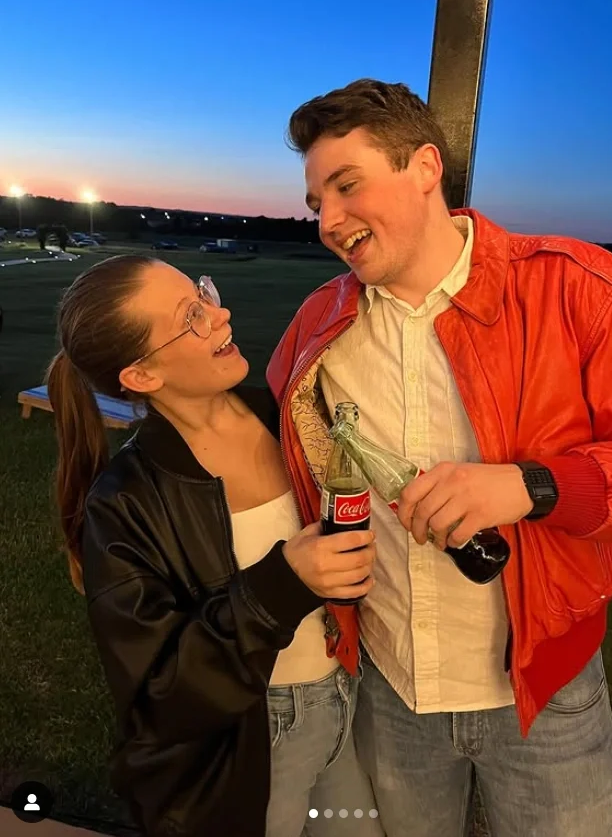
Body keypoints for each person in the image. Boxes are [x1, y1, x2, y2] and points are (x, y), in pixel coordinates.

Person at [267, 78, 612, 837]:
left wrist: (533, 486)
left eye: (346, 185)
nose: (329, 221)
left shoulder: (582, 290)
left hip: (542, 698)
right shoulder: (318, 328)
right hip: (392, 696)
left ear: (425, 167)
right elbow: (266, 450)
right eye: (316, 204)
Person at [46, 256, 385, 836]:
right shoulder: (126, 502)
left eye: (204, 293)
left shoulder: (287, 413)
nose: (221, 314)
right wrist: (282, 585)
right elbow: (160, 695)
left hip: (345, 708)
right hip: (253, 743)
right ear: (144, 376)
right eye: (193, 316)